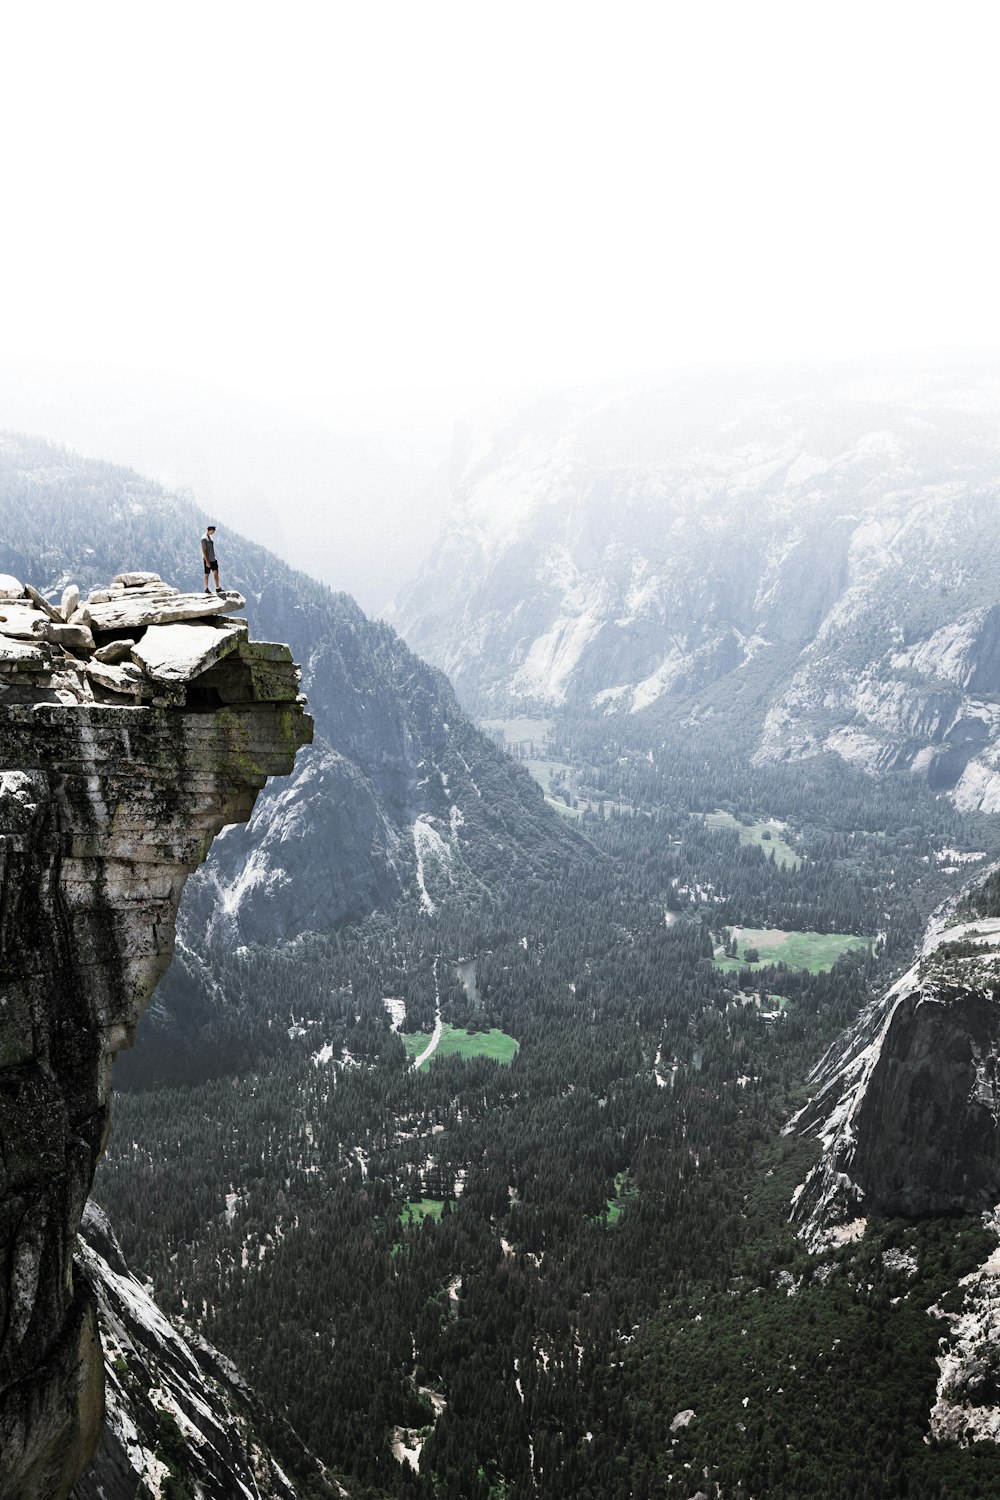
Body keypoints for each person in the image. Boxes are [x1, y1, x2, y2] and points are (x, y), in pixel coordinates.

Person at [201, 526, 220, 593]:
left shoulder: (210, 537)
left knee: (216, 572)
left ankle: (217, 587)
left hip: (213, 558)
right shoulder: (204, 538)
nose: (213, 532)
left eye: (213, 531)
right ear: (208, 530)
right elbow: (204, 550)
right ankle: (206, 588)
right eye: (212, 531)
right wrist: (207, 561)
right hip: (208, 559)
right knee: (207, 574)